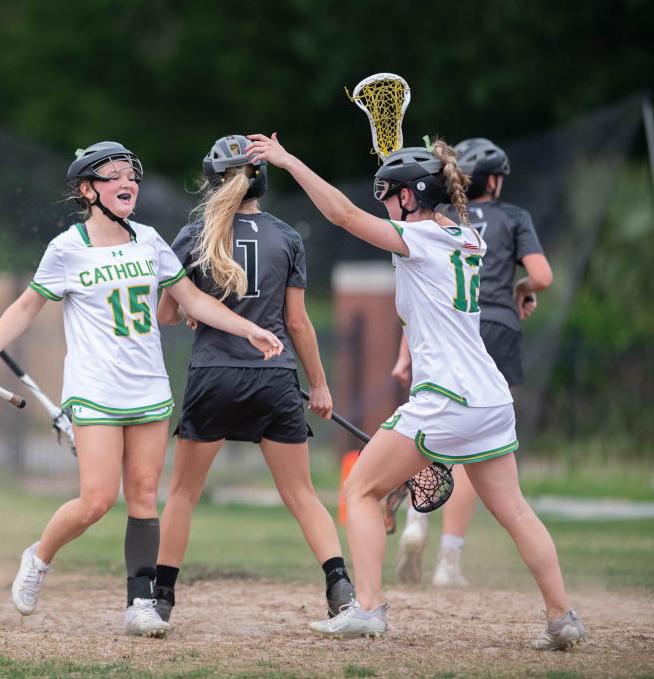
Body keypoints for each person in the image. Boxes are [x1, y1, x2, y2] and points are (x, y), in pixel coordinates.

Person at [245, 132, 585, 650]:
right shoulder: (469, 237)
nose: (382, 207)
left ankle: (368, 609)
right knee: (515, 510)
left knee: (359, 489)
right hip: (490, 398)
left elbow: (339, 214)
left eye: (387, 196)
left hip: (446, 397)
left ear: (409, 197)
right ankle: (562, 618)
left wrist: (289, 160)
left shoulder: (422, 240)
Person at [0, 141, 283, 638]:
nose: (126, 181)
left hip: (148, 388)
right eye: (111, 176)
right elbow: (26, 307)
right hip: (95, 389)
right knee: (95, 500)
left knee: (142, 499)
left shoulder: (150, 240)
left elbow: (191, 299)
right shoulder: (66, 248)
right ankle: (39, 556)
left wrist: (248, 329)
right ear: (87, 190)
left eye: (130, 173)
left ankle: (140, 604)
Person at [152, 134, 354, 625]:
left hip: (213, 375)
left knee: (182, 494)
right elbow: (298, 324)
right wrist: (320, 385)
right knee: (303, 495)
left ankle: (161, 600)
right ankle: (341, 590)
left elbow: (167, 314)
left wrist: (195, 309)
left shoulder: (195, 231)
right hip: (274, 378)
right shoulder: (287, 236)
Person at [392, 138, 554, 588]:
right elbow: (541, 275)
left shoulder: (443, 220)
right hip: (494, 328)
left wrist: (403, 355)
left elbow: (424, 296)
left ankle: (416, 519)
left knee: (424, 432)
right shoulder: (510, 217)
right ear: (495, 180)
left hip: (437, 337)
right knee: (475, 448)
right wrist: (521, 291)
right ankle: (448, 559)